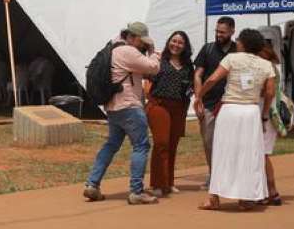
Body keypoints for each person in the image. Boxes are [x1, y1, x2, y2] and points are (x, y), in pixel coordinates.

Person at [196, 29, 275, 211]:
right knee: (248, 154)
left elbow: (213, 79)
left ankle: (213, 198)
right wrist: (264, 114)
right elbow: (269, 92)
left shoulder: (232, 58)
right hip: (251, 112)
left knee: (222, 152)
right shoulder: (266, 65)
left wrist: (199, 95)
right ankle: (245, 198)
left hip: (230, 109)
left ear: (243, 43)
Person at [83, 22, 161, 205]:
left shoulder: (112, 48)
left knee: (111, 145)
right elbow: (153, 68)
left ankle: (92, 184)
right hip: (130, 106)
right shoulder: (128, 52)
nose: (144, 45)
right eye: (142, 41)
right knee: (141, 145)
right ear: (133, 37)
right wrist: (153, 53)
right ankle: (136, 191)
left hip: (113, 107)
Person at [145, 31, 194, 198]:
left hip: (179, 107)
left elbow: (191, 87)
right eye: (174, 41)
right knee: (161, 143)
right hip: (159, 105)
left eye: (180, 42)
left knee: (173, 144)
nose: (176, 45)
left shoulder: (188, 66)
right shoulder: (159, 60)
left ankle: (169, 182)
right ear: (168, 42)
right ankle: (157, 184)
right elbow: (148, 81)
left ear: (185, 46)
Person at [193, 16, 236, 187]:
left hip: (232, 104)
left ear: (232, 31)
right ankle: (213, 173)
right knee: (209, 141)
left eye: (222, 32)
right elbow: (198, 75)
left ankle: (231, 174)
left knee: (232, 141)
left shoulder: (238, 49)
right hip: (209, 104)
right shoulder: (208, 49)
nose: (219, 35)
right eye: (217, 31)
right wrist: (199, 99)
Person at [257, 45, 285, 206]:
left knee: (262, 154)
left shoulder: (268, 69)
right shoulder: (274, 68)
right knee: (262, 154)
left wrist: (264, 115)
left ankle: (271, 191)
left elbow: (268, 92)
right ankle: (268, 191)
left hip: (266, 115)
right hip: (268, 114)